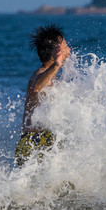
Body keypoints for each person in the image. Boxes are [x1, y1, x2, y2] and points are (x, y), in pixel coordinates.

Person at [15, 24, 71, 166]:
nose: (69, 50)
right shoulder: (40, 74)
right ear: (56, 51)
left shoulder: (50, 78)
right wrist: (56, 65)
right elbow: (36, 87)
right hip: (35, 141)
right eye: (65, 46)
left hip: (38, 140)